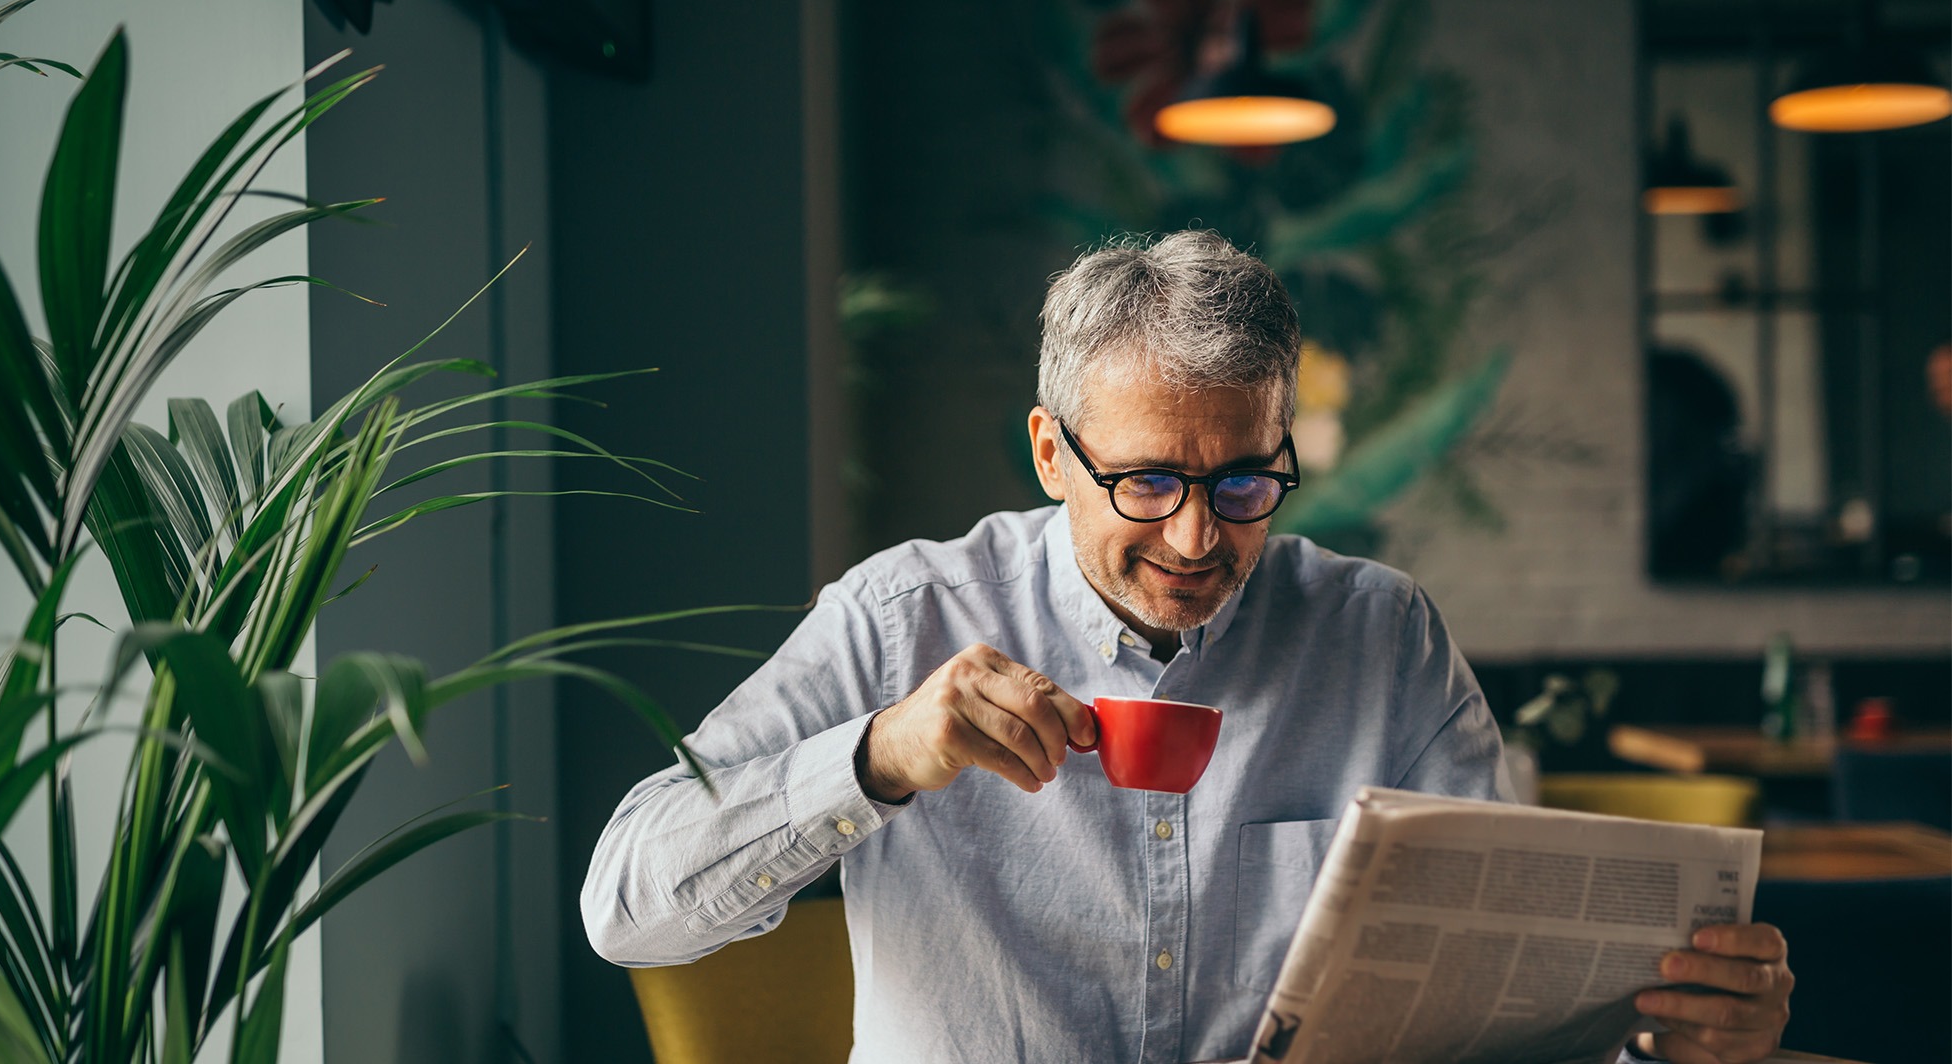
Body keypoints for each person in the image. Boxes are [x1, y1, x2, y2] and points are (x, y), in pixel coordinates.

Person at [582, 232, 1792, 1063]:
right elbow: (625, 906)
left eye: (1246, 480)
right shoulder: (905, 616)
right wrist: (879, 757)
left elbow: (1504, 998)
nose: (1200, 536)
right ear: (1054, 454)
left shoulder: (1382, 637)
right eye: (1149, 481)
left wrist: (1665, 1038)